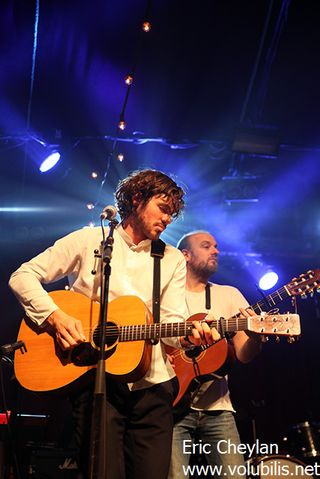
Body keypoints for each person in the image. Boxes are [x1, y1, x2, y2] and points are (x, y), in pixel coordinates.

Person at [9, 170, 217, 479]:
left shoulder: (172, 258)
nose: (168, 219)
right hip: (96, 385)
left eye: (172, 214)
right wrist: (55, 316)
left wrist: (189, 337)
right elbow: (22, 276)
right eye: (163, 208)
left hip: (153, 388)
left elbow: (172, 323)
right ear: (136, 200)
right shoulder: (89, 240)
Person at [168, 230, 262, 479]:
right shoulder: (166, 296)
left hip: (218, 409)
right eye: (206, 246)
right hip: (172, 406)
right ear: (185, 255)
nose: (216, 251)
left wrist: (255, 336)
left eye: (216, 246)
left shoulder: (229, 295)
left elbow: (243, 355)